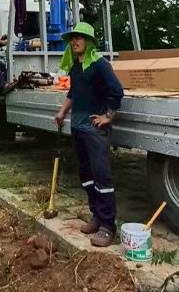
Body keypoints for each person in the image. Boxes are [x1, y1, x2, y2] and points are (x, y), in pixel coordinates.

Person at [53, 22, 124, 247]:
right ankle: (96, 215)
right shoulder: (76, 66)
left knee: (102, 176)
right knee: (86, 175)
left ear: (89, 41)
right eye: (72, 38)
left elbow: (117, 91)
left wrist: (108, 116)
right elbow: (74, 92)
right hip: (78, 127)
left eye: (79, 38)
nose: (75, 42)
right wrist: (63, 111)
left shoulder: (100, 65)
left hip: (95, 130)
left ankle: (108, 226)